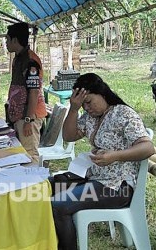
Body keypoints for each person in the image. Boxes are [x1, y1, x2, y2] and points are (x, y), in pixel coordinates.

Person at [50, 73, 155, 250]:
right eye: (83, 104)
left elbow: (148, 148)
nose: (87, 108)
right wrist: (74, 109)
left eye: (89, 102)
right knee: (48, 186)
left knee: (58, 206)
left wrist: (114, 156)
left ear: (102, 93)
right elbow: (69, 135)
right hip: (93, 178)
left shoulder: (123, 114)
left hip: (116, 188)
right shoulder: (90, 117)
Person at [5, 22, 47, 160]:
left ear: (15, 40)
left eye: (7, 39)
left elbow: (34, 92)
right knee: (20, 153)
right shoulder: (18, 58)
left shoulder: (30, 61)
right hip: (20, 116)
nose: (6, 43)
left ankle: (35, 181)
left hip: (29, 116)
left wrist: (29, 120)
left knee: (29, 154)